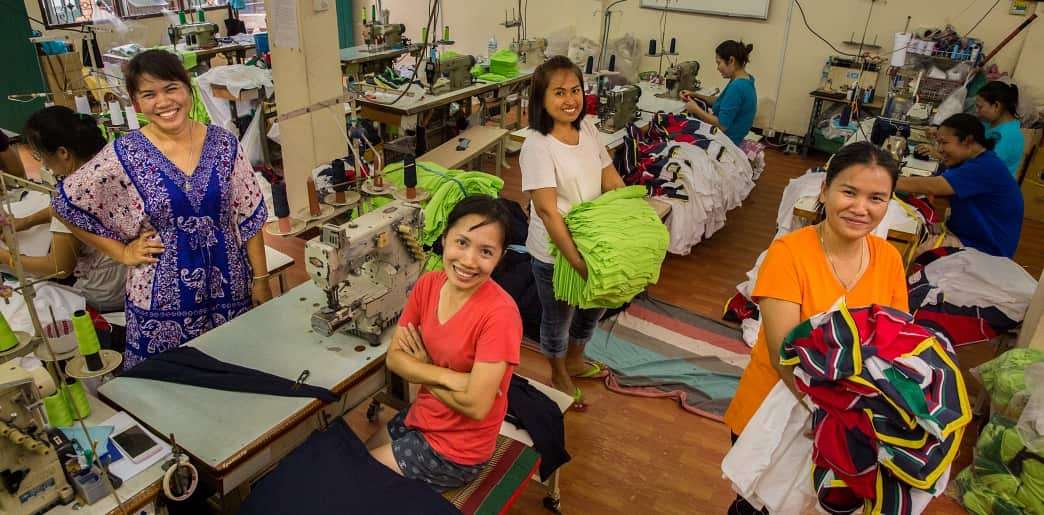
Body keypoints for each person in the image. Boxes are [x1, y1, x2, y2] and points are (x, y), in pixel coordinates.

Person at [50, 49, 270, 370]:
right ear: (137, 103)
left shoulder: (224, 144)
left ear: (187, 88)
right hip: (160, 304)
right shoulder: (124, 153)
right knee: (169, 392)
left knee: (236, 375)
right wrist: (123, 253)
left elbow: (249, 215)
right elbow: (65, 203)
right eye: (149, 94)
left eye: (171, 88)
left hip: (229, 289)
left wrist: (261, 278)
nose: (164, 102)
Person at [722, 142, 909, 515]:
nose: (861, 208)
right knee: (756, 506)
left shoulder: (887, 258)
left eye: (877, 198)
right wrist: (834, 417)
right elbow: (782, 356)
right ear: (824, 190)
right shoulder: (789, 254)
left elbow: (895, 343)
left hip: (849, 423)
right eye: (849, 192)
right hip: (775, 411)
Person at [370, 195, 521, 492]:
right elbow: (395, 360)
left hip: (457, 451)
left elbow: (477, 407)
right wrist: (447, 375)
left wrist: (421, 370)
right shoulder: (428, 285)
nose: (468, 261)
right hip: (424, 416)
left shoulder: (500, 316)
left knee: (361, 479)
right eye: (461, 243)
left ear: (500, 257)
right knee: (354, 458)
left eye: (486, 251)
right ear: (444, 238)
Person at [519, 55, 627, 409]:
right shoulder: (537, 145)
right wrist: (576, 260)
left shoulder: (589, 129)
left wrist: (632, 219)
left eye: (576, 90)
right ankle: (558, 371)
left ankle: (576, 359)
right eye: (559, 92)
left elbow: (610, 178)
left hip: (593, 242)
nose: (570, 100)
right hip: (556, 250)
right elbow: (549, 213)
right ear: (541, 99)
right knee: (558, 315)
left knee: (595, 304)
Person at [0, 106, 126, 313]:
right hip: (137, 277)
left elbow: (59, 267)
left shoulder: (71, 195)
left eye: (40, 156)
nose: (44, 164)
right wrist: (26, 221)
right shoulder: (111, 162)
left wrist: (6, 258)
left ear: (63, 153)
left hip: (106, 294)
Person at [898, 113, 1023, 259]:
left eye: (944, 143)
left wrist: (889, 181)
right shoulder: (976, 161)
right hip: (964, 231)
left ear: (968, 141)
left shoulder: (985, 167)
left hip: (982, 248)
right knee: (912, 227)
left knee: (904, 251)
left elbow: (936, 186)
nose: (939, 149)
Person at [916, 81, 1023, 177]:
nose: (977, 111)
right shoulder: (989, 122)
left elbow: (980, 167)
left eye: (980, 107)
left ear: (996, 106)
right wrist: (942, 134)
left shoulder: (1008, 136)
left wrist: (938, 154)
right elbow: (965, 137)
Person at [679, 40, 757, 146]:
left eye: (719, 63)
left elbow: (722, 125)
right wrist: (695, 95)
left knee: (674, 132)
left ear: (731, 60)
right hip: (731, 136)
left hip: (725, 141)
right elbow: (723, 102)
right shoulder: (745, 79)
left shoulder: (737, 87)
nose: (717, 68)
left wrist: (695, 109)